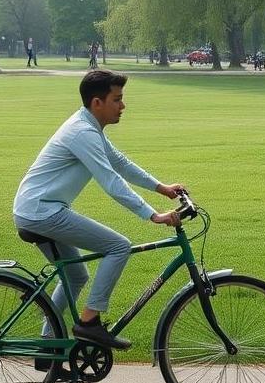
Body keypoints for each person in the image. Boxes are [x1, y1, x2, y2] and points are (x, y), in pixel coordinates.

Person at [12, 69, 184, 350]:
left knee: (76, 276)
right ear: (97, 103)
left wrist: (161, 187)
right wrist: (153, 215)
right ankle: (89, 323)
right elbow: (111, 181)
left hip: (37, 209)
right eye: (117, 99)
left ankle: (47, 346)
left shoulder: (88, 126)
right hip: (42, 212)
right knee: (118, 246)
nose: (123, 106)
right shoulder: (82, 132)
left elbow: (120, 162)